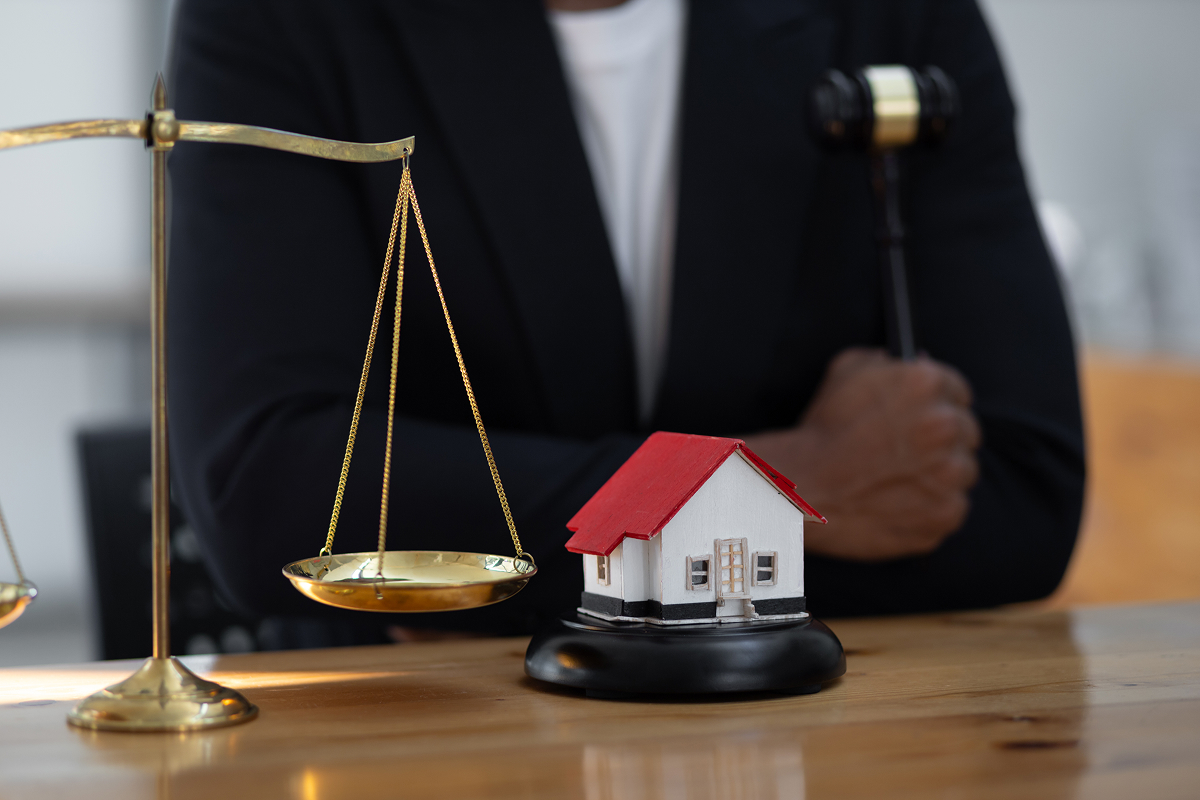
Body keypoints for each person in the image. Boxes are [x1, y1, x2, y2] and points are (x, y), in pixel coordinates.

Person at [167, 0, 1084, 635]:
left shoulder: (899, 17)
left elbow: (1019, 497)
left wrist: (495, 579)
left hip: (826, 727)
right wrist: (794, 490)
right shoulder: (274, 19)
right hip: (426, 746)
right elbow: (272, 494)